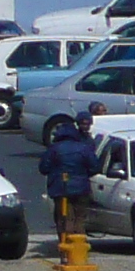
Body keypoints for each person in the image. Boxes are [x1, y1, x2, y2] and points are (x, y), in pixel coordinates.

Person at [39, 106, 102, 253]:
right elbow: (95, 166)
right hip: (81, 188)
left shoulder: (54, 149)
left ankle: (65, 247)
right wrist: (83, 175)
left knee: (63, 217)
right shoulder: (84, 147)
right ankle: (79, 249)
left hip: (60, 189)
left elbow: (43, 168)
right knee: (79, 218)